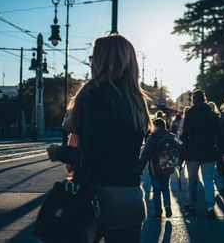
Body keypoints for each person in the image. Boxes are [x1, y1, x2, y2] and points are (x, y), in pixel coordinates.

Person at [46, 34, 152, 243]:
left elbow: (95, 157)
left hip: (98, 198)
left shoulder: (96, 94)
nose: (91, 62)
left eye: (93, 57)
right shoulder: (136, 100)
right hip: (131, 197)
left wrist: (59, 152)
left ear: (102, 61)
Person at [180, 90, 223, 219]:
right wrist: (223, 151)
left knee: (192, 180)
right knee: (208, 180)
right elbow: (220, 134)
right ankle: (210, 207)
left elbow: (185, 133)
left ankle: (192, 205)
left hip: (192, 153)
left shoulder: (190, 113)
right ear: (205, 99)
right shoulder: (212, 114)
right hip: (209, 152)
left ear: (193, 100)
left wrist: (184, 138)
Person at [140, 118, 174, 219]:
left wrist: (141, 168)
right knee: (166, 188)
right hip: (167, 166)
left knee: (156, 190)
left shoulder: (153, 137)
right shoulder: (170, 136)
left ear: (157, 126)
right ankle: (168, 205)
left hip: (155, 168)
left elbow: (145, 154)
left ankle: (158, 212)